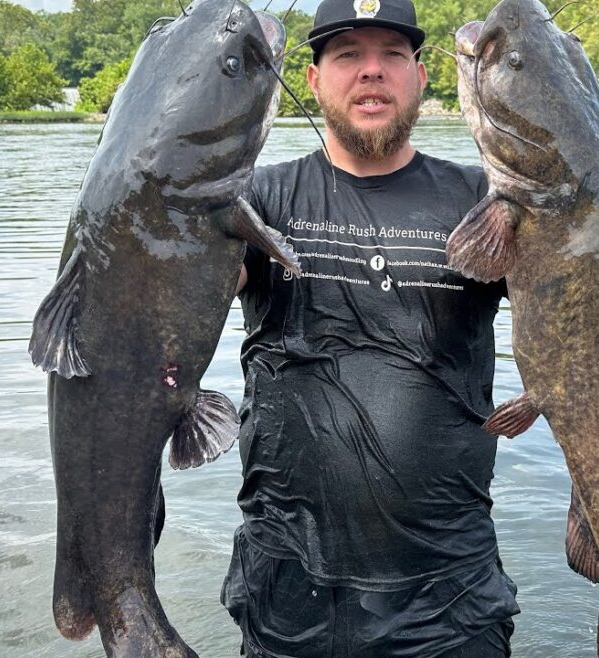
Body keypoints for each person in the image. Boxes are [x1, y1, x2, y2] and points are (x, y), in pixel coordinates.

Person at [221, 0, 519, 655]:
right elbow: (177, 288)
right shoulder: (253, 200)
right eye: (348, 55)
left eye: (391, 55)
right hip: (288, 592)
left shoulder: (488, 204)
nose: (371, 72)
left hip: (451, 601)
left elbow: (585, 317)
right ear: (311, 78)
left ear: (421, 76)